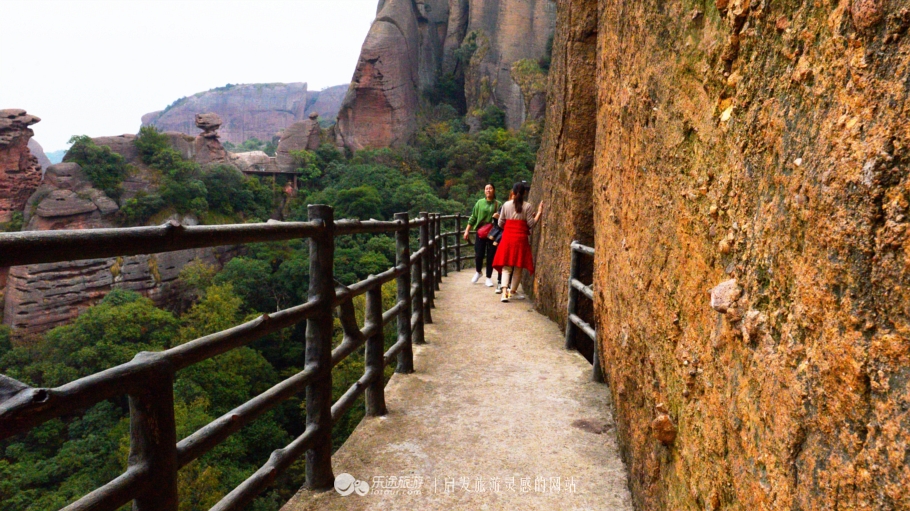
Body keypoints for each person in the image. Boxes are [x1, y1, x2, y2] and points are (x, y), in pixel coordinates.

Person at [492, 182, 544, 302]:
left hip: (507, 238)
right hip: (520, 239)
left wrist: (509, 227)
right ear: (524, 193)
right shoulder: (528, 206)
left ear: (513, 192)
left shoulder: (506, 205)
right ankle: (513, 291)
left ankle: (504, 293)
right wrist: (539, 213)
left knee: (506, 267)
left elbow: (500, 223)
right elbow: (531, 224)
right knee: (518, 267)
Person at [463, 184, 501, 287]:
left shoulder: (498, 204)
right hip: (481, 231)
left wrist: (497, 217)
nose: (488, 190)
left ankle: (488, 277)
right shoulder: (479, 203)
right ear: (484, 191)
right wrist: (467, 230)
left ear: (494, 190)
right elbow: (473, 217)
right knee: (479, 254)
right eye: (486, 189)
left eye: (490, 188)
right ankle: (478, 271)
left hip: (493, 233)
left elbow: (502, 219)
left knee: (491, 255)